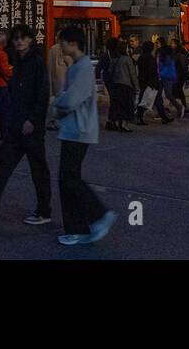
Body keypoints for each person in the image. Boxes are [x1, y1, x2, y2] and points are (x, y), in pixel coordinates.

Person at [0, 24, 52, 227]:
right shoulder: (16, 62)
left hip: (31, 127)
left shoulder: (37, 62)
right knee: (2, 167)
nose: (19, 41)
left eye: (23, 38)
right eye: (16, 38)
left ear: (31, 39)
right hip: (15, 125)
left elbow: (42, 94)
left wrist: (33, 120)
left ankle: (43, 210)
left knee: (38, 170)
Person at [50, 26, 115, 246]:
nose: (60, 46)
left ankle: (97, 215)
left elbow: (70, 99)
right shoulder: (78, 66)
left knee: (69, 179)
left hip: (78, 129)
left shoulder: (82, 67)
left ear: (72, 43)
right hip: (74, 129)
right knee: (67, 179)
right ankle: (79, 227)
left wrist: (56, 103)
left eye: (62, 42)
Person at [136, 41, 171, 124]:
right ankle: (140, 117)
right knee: (146, 101)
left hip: (143, 81)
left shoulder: (141, 57)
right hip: (150, 82)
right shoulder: (150, 58)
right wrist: (154, 83)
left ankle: (163, 117)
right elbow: (152, 72)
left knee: (150, 100)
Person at [107, 39, 138, 132]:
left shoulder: (114, 59)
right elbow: (132, 74)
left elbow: (109, 72)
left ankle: (116, 122)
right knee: (127, 106)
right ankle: (124, 125)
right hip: (126, 85)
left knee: (118, 105)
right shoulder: (127, 59)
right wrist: (136, 87)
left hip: (116, 85)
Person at [46, 33, 72, 129]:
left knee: (54, 100)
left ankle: (52, 120)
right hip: (64, 77)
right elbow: (70, 64)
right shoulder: (67, 49)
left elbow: (49, 66)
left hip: (54, 78)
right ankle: (59, 121)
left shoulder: (52, 49)